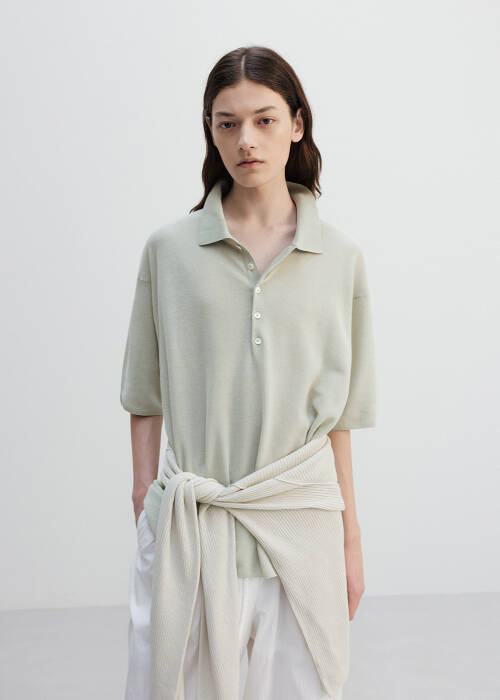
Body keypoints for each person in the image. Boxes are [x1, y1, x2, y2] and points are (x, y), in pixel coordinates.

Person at [121, 45, 376, 700]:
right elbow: (144, 391)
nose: (246, 140)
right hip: (193, 529)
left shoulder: (340, 258)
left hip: (302, 529)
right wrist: (146, 503)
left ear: (297, 124)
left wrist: (350, 538)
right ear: (210, 132)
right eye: (227, 123)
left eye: (264, 120)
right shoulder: (169, 250)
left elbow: (340, 418)